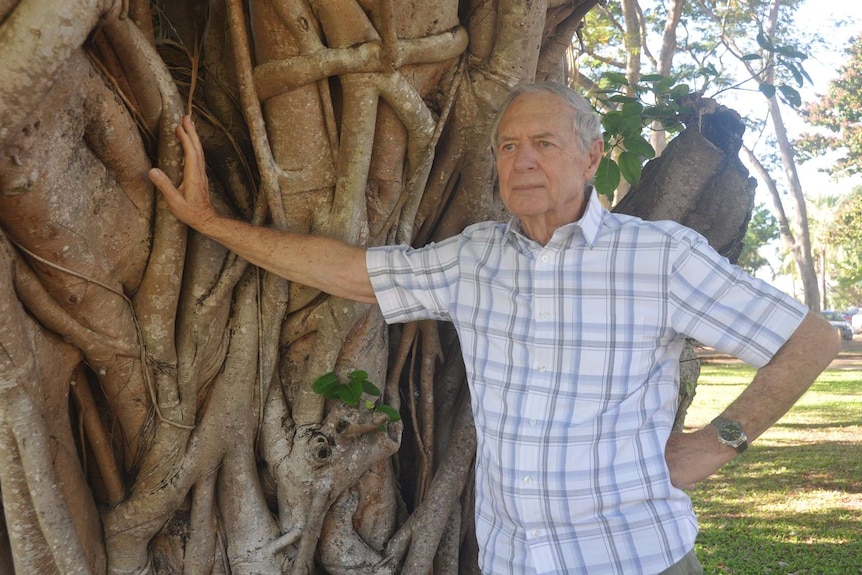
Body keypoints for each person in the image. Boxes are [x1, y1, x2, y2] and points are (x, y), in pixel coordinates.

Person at [148, 82, 839, 575]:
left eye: (543, 142)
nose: (523, 160)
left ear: (592, 157)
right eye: (508, 146)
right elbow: (353, 272)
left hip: (634, 556)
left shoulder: (657, 256)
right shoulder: (476, 256)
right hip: (513, 558)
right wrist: (211, 223)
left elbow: (811, 340)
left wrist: (717, 442)